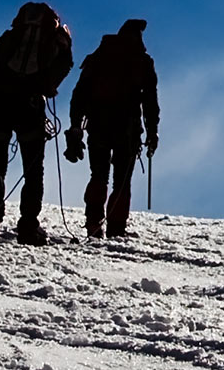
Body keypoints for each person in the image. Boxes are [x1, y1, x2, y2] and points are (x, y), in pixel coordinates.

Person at [0, 2, 73, 245]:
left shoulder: (8, 40)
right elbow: (62, 69)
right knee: (33, 171)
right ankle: (28, 227)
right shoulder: (53, 42)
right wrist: (64, 50)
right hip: (30, 108)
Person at [64, 18, 159, 239]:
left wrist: (76, 125)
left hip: (98, 125)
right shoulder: (142, 62)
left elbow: (79, 95)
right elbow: (150, 102)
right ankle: (116, 228)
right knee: (121, 181)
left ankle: (93, 223)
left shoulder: (99, 57)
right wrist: (152, 130)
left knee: (98, 174)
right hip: (127, 128)